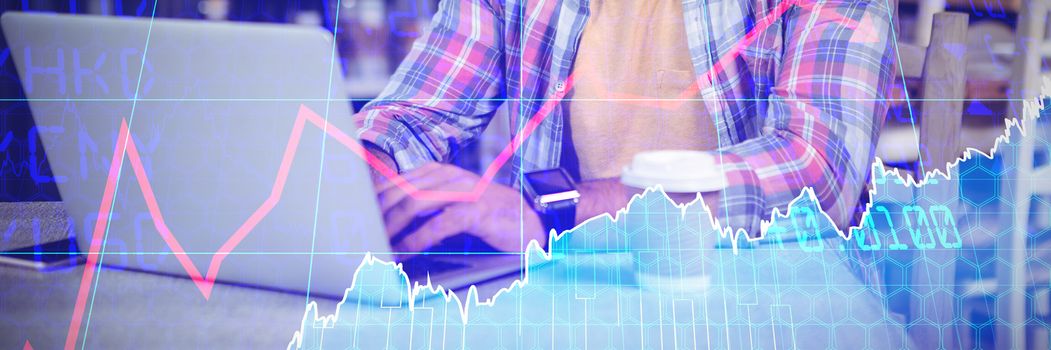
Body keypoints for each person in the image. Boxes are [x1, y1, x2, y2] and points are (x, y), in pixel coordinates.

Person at [357, 0, 895, 256]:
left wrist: (555, 211)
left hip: (762, 308)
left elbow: (819, 172)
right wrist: (357, 172)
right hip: (560, 303)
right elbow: (408, 117)